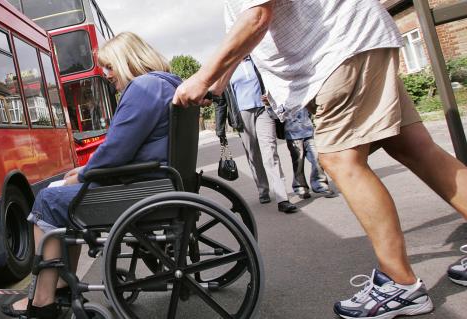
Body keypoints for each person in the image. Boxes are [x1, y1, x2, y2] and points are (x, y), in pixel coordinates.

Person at [173, 1, 467, 318]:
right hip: (356, 39)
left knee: (341, 160)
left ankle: (400, 284)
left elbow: (258, 17)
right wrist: (218, 80)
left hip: (339, 50)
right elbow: (253, 29)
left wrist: (202, 77)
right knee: (414, 148)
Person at [1, 32, 182, 319]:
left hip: (137, 190)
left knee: (49, 199)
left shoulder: (143, 89)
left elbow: (116, 150)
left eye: (110, 67)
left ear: (128, 60)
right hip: (156, 183)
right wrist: (83, 172)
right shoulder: (165, 84)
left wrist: (84, 174)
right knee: (61, 194)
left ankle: (44, 298)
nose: (107, 75)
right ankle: (61, 282)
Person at [224, 56, 296, 212]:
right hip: (242, 114)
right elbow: (222, 99)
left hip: (263, 110)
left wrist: (270, 96)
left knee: (270, 152)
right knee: (253, 154)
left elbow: (273, 81)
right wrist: (220, 129)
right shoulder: (228, 67)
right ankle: (263, 189)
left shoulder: (257, 61)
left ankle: (282, 197)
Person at [283, 107, 336, 199]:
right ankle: (300, 188)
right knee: (298, 163)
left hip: (310, 131)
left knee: (318, 158)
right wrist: (268, 105)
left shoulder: (305, 92)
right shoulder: (280, 94)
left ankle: (320, 185)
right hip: (292, 134)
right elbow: (274, 114)